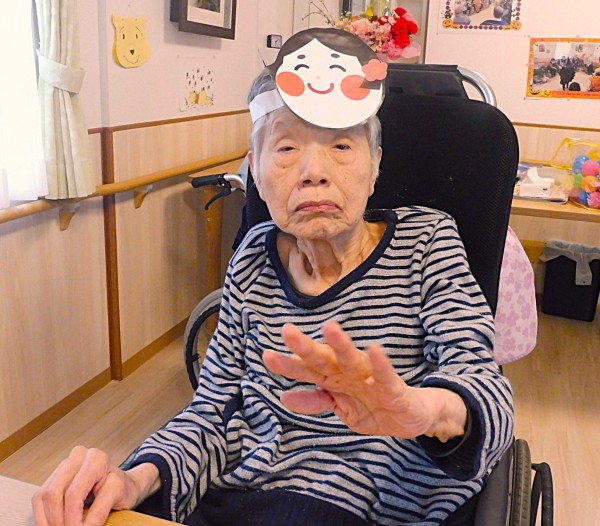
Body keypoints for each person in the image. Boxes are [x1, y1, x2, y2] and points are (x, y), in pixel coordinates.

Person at [32, 28, 514, 526]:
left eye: (341, 146)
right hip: (246, 496)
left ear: (375, 164)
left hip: (378, 506)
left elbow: (485, 385)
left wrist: (425, 409)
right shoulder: (253, 258)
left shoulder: (427, 240)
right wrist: (137, 478)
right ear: (255, 172)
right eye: (285, 149)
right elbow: (211, 411)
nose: (313, 171)